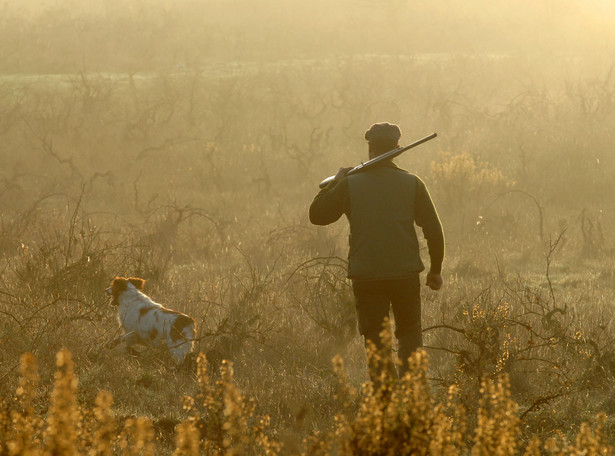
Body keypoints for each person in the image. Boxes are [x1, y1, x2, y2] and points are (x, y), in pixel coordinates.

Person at [309, 122, 444, 380]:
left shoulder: (349, 184)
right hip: (404, 275)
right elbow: (434, 230)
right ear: (398, 148)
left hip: (366, 276)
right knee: (410, 335)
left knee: (376, 344)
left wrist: (335, 183)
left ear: (369, 148)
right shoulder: (412, 183)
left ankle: (385, 405)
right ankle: (412, 399)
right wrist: (435, 271)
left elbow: (317, 215)